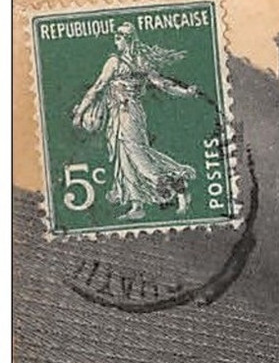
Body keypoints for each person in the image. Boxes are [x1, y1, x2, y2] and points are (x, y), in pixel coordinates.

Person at [71, 22, 202, 220]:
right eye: (116, 36)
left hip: (125, 113)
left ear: (128, 40)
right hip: (130, 112)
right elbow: (163, 84)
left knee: (135, 153)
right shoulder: (141, 61)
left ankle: (168, 179)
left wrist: (79, 112)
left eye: (119, 36)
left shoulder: (114, 62)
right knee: (126, 155)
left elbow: (97, 87)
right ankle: (136, 204)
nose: (116, 39)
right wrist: (185, 92)